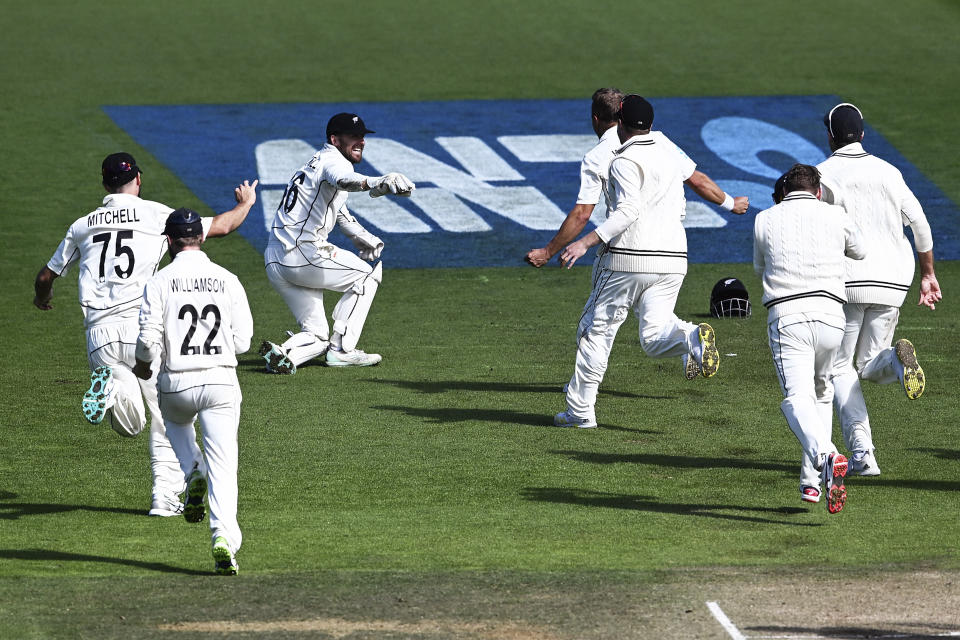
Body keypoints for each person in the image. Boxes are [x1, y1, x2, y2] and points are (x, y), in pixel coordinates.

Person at [33, 152, 258, 517]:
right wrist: (246, 203)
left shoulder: (82, 225)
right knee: (162, 417)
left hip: (99, 336)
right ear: (138, 179)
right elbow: (221, 226)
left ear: (105, 184)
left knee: (129, 421)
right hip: (143, 329)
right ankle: (164, 496)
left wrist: (42, 299)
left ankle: (112, 387)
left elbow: (46, 277)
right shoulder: (158, 215)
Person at [553, 95, 746, 429]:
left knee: (595, 331)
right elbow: (696, 179)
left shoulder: (622, 160)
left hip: (629, 257)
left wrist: (584, 243)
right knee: (654, 337)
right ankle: (690, 337)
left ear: (619, 123)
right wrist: (730, 202)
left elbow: (628, 212)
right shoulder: (668, 149)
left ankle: (580, 412)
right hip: (673, 257)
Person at [796, 103, 941, 491]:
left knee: (839, 368)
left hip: (844, 282)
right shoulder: (888, 171)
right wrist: (928, 274)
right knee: (868, 362)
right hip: (893, 279)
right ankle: (895, 360)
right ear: (862, 134)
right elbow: (921, 225)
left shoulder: (820, 175)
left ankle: (862, 453)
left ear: (829, 136)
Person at [134, 208, 253, 575]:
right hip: (220, 381)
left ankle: (191, 470)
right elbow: (244, 341)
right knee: (225, 466)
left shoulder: (160, 281)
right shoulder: (227, 278)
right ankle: (223, 538)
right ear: (200, 237)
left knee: (175, 425)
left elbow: (148, 339)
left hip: (176, 383)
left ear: (169, 241)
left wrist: (142, 365)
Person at [259, 112, 415, 373]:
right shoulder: (333, 162)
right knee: (365, 276)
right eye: (354, 136)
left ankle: (285, 353)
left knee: (318, 334)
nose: (361, 141)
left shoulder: (313, 164)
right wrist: (377, 181)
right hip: (301, 253)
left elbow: (338, 209)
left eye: (362, 136)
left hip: (275, 257)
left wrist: (361, 237)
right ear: (334, 139)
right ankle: (342, 351)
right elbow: (344, 180)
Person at [526, 88, 749, 269]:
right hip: (673, 250)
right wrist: (731, 203)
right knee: (656, 322)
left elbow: (582, 215)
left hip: (628, 250)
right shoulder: (659, 140)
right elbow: (697, 180)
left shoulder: (596, 157)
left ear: (596, 119)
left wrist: (547, 252)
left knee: (598, 324)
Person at [753, 163, 866, 514]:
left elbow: (760, 268)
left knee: (795, 398)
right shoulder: (836, 214)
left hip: (788, 316)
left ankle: (825, 456)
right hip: (833, 318)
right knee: (821, 393)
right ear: (817, 190)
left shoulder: (765, 218)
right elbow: (860, 250)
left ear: (785, 190)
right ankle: (811, 483)